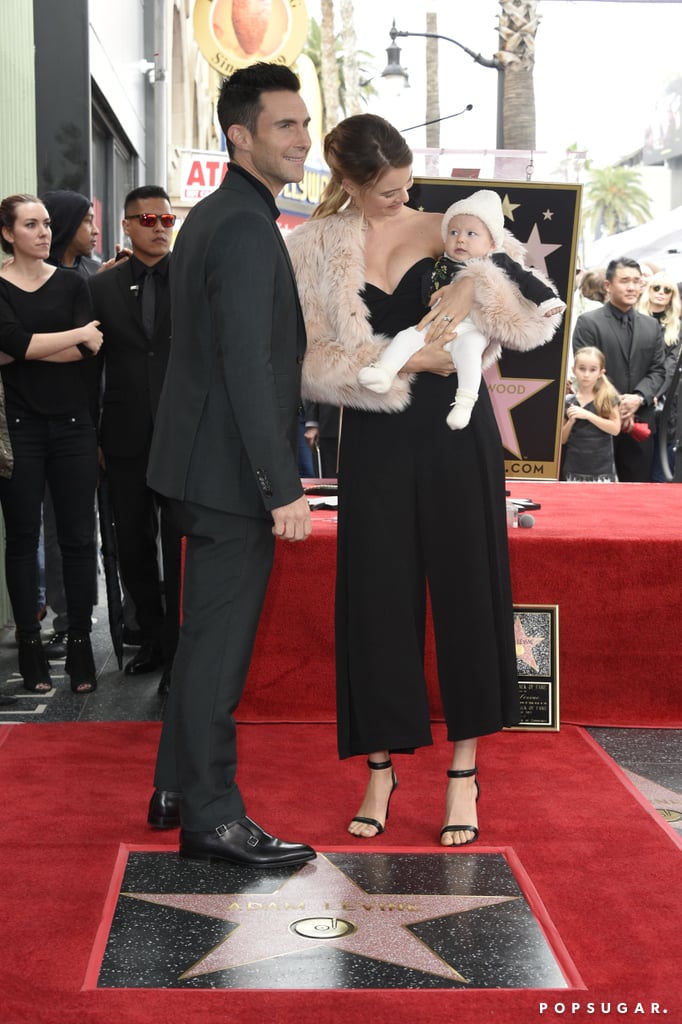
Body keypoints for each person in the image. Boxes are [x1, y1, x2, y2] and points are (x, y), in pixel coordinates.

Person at [287, 114, 555, 847]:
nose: (398, 200)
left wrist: (480, 289)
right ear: (346, 182)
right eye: (382, 192)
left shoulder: (454, 229)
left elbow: (537, 318)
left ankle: (463, 774)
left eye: (406, 186)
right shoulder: (311, 247)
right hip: (373, 439)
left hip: (456, 437)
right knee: (376, 600)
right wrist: (406, 362)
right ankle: (380, 767)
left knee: (468, 593)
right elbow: (308, 361)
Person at [145, 63, 316, 868]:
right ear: (239, 134)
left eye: (305, 124)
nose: (303, 139)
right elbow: (251, 365)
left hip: (197, 465)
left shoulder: (213, 216)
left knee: (199, 635)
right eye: (285, 125)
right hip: (228, 476)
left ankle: (176, 784)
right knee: (218, 649)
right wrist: (281, 486)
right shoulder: (246, 226)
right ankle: (212, 816)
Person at [0, 194, 103, 692]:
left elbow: (87, 350)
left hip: (74, 425)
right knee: (22, 538)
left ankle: (81, 645)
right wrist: (69, 335)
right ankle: (30, 647)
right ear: (7, 233)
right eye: (30, 225)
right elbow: (17, 342)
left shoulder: (71, 282)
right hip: (20, 428)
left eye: (45, 224)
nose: (43, 232)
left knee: (79, 538)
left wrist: (27, 348)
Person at [357, 189, 565, 429]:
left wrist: (548, 300)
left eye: (471, 234)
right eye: (454, 232)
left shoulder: (498, 262)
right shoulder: (442, 264)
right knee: (406, 337)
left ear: (491, 244)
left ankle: (464, 403)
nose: (461, 239)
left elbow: (528, 281)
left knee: (468, 356)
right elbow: (429, 291)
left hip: (471, 329)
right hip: (435, 326)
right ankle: (384, 371)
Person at [89, 186, 181, 694]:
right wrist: (93, 434)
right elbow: (91, 369)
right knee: (134, 544)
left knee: (179, 542)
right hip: (123, 438)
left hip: (182, 436)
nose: (159, 226)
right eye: (147, 219)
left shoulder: (192, 281)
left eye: (166, 218)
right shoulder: (102, 289)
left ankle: (180, 652)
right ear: (127, 225)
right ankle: (150, 638)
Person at [39, 189, 102, 661]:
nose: (95, 231)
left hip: (94, 414)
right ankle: (65, 620)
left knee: (85, 529)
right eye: (86, 222)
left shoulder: (97, 275)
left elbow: (94, 349)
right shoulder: (28, 281)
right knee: (52, 526)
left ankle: (97, 616)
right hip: (39, 418)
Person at [573, 257, 666, 482]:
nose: (632, 287)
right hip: (596, 423)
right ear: (608, 285)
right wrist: (616, 404)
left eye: (636, 281)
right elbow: (587, 370)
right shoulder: (589, 322)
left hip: (639, 423)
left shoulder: (651, 326)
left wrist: (638, 398)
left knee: (637, 499)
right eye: (624, 281)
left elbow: (658, 371)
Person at [638, 271, 682, 480]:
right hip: (637, 396)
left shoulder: (676, 326)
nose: (661, 293)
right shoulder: (635, 319)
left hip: (664, 401)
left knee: (661, 468)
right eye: (657, 287)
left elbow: (671, 365)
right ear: (649, 290)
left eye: (667, 290)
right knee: (637, 462)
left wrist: (656, 392)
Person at [561, 346, 621, 481]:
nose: (586, 375)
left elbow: (615, 429)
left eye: (592, 370)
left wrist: (588, 415)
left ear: (601, 372)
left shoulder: (607, 397)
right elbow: (562, 440)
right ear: (574, 370)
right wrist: (571, 421)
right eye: (582, 369)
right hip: (573, 470)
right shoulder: (568, 401)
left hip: (602, 472)